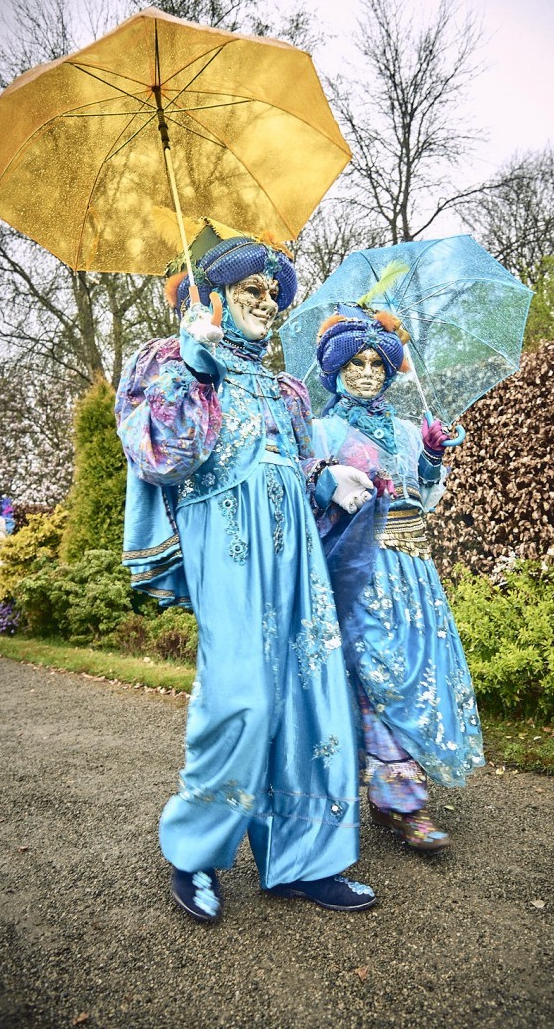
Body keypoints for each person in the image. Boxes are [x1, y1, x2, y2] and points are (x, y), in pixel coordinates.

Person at [115, 225, 376, 922]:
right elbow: (160, 456)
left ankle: (304, 859)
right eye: (249, 289)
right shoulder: (166, 360)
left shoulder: (287, 387)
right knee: (241, 697)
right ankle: (195, 853)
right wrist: (195, 368)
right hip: (226, 540)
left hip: (296, 552)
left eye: (272, 291)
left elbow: (297, 458)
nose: (266, 300)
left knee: (309, 692)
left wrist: (328, 479)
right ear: (214, 296)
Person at [311, 303, 485, 851]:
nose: (367, 372)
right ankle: (403, 805)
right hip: (361, 569)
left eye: (377, 364)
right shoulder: (321, 428)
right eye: (355, 363)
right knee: (377, 678)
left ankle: (395, 797)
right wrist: (331, 483)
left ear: (391, 371)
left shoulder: (411, 430)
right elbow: (304, 489)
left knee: (420, 676)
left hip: (415, 573)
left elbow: (427, 499)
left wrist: (432, 457)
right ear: (336, 370)